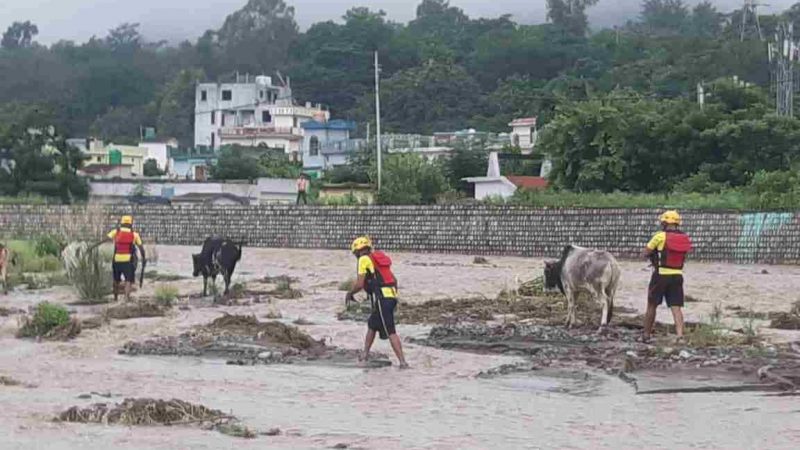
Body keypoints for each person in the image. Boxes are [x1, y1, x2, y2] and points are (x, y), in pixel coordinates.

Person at [345, 236, 409, 368]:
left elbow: (360, 284)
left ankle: (403, 362)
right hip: (390, 297)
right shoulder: (377, 259)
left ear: (357, 251)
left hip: (382, 299)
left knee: (390, 330)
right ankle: (365, 354)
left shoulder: (363, 259)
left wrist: (350, 293)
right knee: (372, 324)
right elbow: (394, 280)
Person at [642, 210, 692, 342]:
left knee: (652, 305)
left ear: (664, 223)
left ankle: (646, 335)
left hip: (660, 275)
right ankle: (680, 336)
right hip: (677, 275)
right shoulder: (684, 238)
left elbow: (646, 252)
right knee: (676, 307)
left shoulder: (659, 236)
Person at [95, 215, 146, 302]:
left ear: (121, 223)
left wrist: (94, 246)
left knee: (116, 280)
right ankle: (126, 298)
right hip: (128, 261)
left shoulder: (116, 232)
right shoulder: (134, 235)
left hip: (116, 260)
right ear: (131, 224)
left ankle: (115, 298)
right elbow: (141, 248)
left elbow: (105, 239)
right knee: (128, 280)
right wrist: (144, 258)